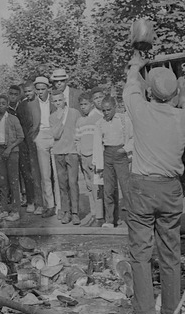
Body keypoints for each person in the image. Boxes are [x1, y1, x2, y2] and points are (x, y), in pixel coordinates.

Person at [114, 58, 185, 314]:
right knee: (170, 252)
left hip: (142, 187)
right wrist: (184, 95)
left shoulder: (140, 110)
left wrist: (136, 66)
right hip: (170, 189)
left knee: (140, 252)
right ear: (173, 94)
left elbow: (131, 88)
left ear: (150, 92)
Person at [93, 95, 133, 229]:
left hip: (120, 155)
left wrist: (125, 149)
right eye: (103, 110)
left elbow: (133, 137)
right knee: (108, 189)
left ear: (115, 108)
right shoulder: (99, 123)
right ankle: (110, 220)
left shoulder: (124, 120)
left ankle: (133, 220)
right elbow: (97, 144)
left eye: (108, 110)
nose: (106, 113)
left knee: (126, 188)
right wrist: (98, 164)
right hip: (107, 155)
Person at [0, 94, 25, 221]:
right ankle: (3, 209)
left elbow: (21, 137)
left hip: (12, 152)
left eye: (3, 103)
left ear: (7, 104)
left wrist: (9, 148)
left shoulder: (13, 119)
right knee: (2, 182)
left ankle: (15, 211)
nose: (0, 106)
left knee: (13, 181)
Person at [49, 90, 81, 225]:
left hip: (72, 152)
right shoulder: (53, 116)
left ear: (64, 99)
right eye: (55, 101)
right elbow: (55, 135)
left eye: (60, 100)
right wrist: (60, 118)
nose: (58, 103)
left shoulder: (74, 113)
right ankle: (66, 212)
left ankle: (75, 213)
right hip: (59, 152)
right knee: (62, 184)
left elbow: (79, 131)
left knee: (73, 183)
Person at [28, 76, 57, 217]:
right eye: (38, 89)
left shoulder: (55, 100)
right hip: (40, 136)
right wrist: (35, 137)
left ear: (48, 89)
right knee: (45, 175)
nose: (40, 92)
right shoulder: (31, 104)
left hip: (55, 136)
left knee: (58, 174)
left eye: (43, 89)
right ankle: (50, 205)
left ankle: (63, 207)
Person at [74, 91, 104, 226]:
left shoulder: (99, 117)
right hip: (84, 157)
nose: (83, 107)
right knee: (89, 186)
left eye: (86, 104)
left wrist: (98, 157)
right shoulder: (80, 121)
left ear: (92, 104)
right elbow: (77, 139)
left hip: (95, 157)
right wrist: (80, 153)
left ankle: (99, 216)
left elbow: (102, 139)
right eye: (81, 105)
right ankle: (93, 214)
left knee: (97, 187)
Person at [16, 80, 39, 214]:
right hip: (25, 142)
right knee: (27, 173)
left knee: (41, 173)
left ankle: (44, 202)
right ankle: (30, 200)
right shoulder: (22, 106)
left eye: (30, 91)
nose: (28, 93)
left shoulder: (40, 104)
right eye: (25, 92)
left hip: (38, 141)